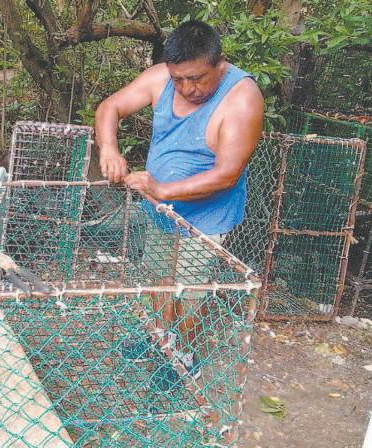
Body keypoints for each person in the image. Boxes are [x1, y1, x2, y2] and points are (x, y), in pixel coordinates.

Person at [93, 20, 262, 387]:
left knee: (188, 292)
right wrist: (109, 148)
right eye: (178, 79)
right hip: (160, 210)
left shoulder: (242, 98)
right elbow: (111, 106)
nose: (186, 88)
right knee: (158, 278)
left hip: (206, 217)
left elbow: (226, 175)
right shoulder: (160, 78)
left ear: (220, 63)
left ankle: (186, 355)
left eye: (197, 79)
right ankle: (159, 340)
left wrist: (162, 189)